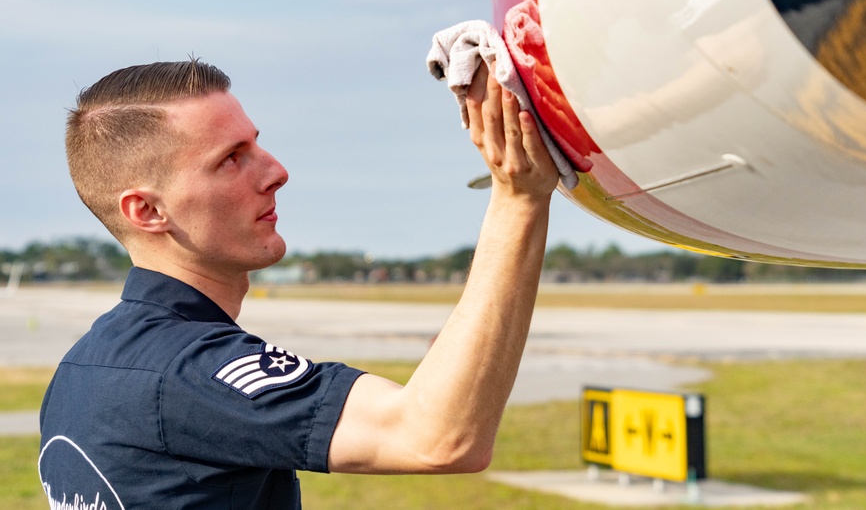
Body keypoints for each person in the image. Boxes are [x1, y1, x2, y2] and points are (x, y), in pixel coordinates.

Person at [38, 58, 558, 509]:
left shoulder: (80, 369)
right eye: (230, 159)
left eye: (256, 145)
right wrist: (519, 199)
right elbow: (437, 437)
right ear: (148, 210)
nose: (276, 171)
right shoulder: (191, 370)